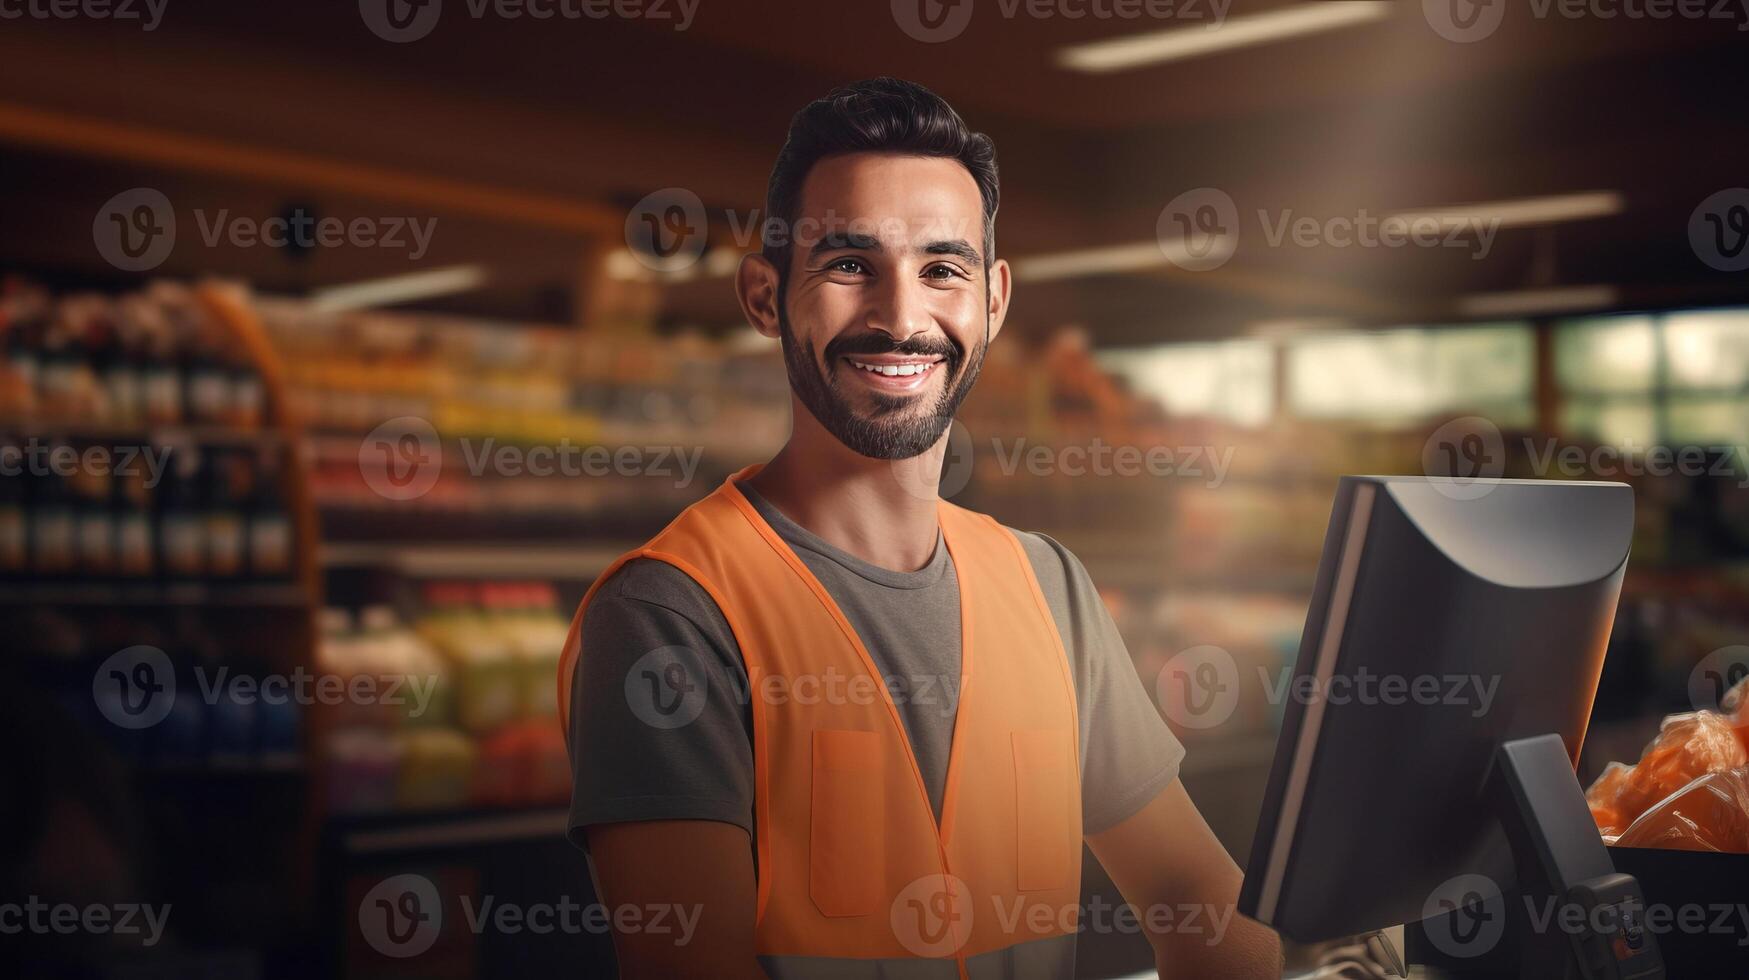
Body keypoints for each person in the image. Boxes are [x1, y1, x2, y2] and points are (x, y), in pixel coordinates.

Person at [558, 76, 1282, 979]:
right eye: (848, 264)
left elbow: (1203, 909)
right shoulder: (671, 615)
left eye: (943, 269)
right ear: (762, 296)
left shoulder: (1047, 586)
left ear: (994, 302)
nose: (901, 319)